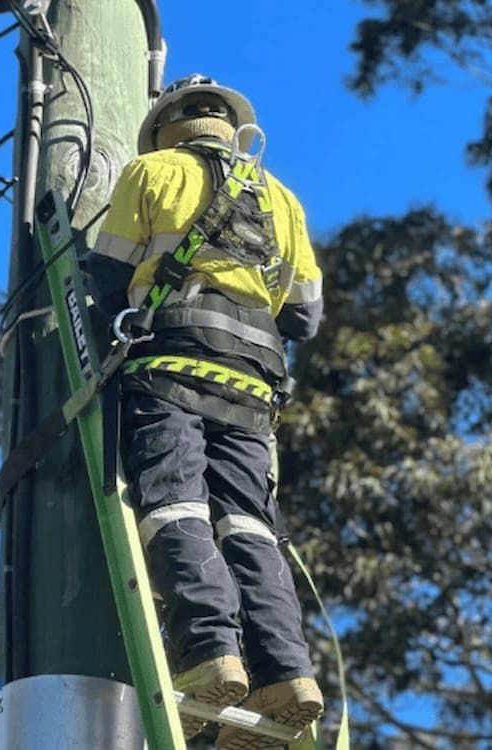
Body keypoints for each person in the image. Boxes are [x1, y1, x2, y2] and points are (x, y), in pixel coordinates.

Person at [82, 74, 324, 750]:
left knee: (175, 507)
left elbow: (106, 273)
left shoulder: (151, 170)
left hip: (171, 367)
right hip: (255, 386)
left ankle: (208, 657)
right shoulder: (281, 199)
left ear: (165, 126)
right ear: (229, 127)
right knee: (248, 525)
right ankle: (286, 674)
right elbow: (304, 314)